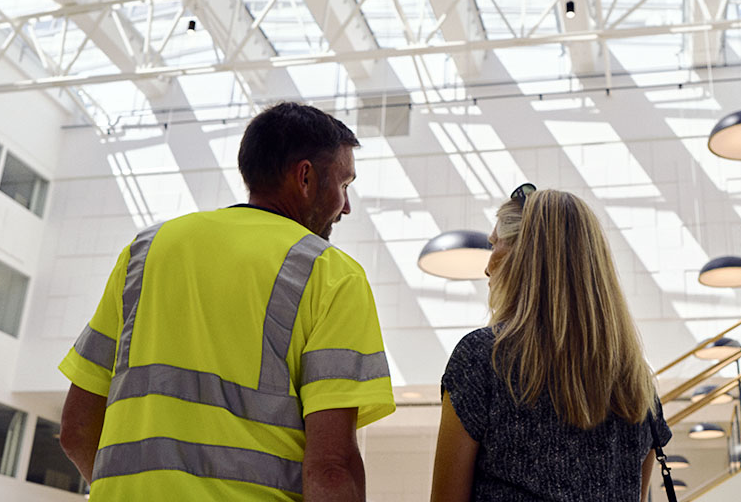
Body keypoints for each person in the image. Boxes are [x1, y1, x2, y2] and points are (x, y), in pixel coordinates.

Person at [58, 102, 395, 501]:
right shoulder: (330, 274)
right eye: (344, 185)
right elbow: (330, 466)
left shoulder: (146, 252)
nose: (346, 206)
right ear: (305, 177)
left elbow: (76, 429)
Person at [431, 186, 671, 502]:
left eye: (494, 245)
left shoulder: (483, 358)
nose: (488, 266)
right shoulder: (636, 381)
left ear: (523, 256)